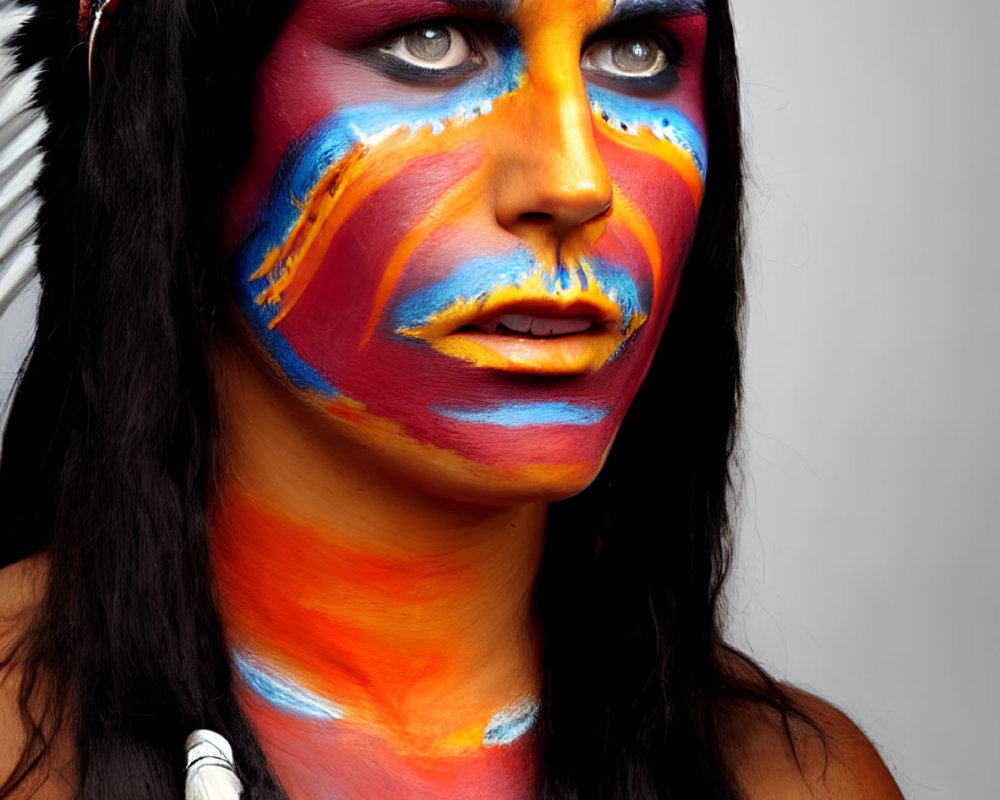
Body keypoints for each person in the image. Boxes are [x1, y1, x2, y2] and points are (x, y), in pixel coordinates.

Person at [0, 0, 904, 797]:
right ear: (160, 100)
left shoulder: (796, 781)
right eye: (432, 42)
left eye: (634, 51)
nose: (574, 180)